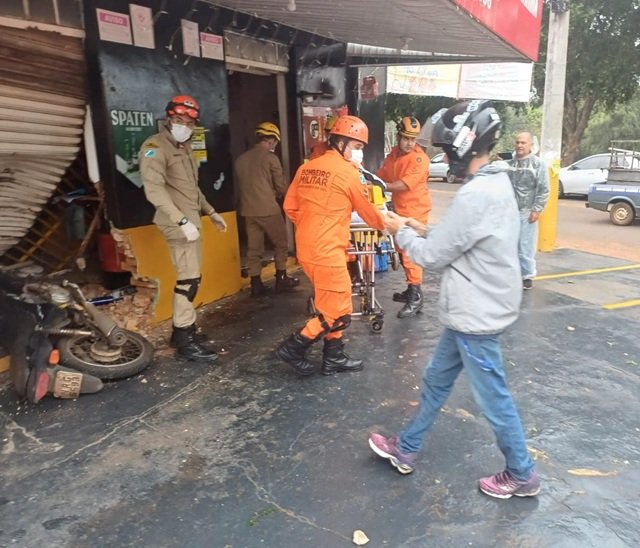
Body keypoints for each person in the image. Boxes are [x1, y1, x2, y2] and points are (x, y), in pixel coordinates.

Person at [369, 100, 540, 500]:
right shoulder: (497, 182)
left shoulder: (477, 194)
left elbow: (431, 257)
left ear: (464, 146)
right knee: (435, 379)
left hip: (476, 313)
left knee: (493, 397)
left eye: (447, 149)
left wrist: (399, 230)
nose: (445, 157)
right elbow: (462, 237)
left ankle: (521, 473)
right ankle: (406, 447)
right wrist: (416, 225)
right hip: (474, 305)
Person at [276, 115, 385, 376]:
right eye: (357, 147)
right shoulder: (348, 173)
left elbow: (290, 206)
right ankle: (295, 346)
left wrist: (312, 225)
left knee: (332, 301)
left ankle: (333, 356)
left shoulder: (307, 168)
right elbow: (369, 213)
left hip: (308, 248)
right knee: (339, 310)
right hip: (327, 251)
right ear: (341, 143)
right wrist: (394, 225)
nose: (359, 153)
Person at [139, 94, 226, 362]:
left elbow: (191, 189)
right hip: (178, 225)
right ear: (169, 118)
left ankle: (181, 332)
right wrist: (182, 221)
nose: (184, 126)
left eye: (189, 123)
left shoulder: (184, 147)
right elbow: (154, 190)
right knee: (188, 281)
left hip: (192, 224)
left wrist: (211, 212)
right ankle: (185, 342)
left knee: (193, 278)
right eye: (179, 120)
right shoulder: (155, 147)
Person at [234, 121, 299, 298]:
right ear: (271, 140)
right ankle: (281, 279)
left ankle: (256, 284)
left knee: (254, 249)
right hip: (268, 209)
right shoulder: (271, 158)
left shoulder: (241, 160)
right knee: (281, 243)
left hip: (248, 210)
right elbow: (281, 187)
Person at [376, 116, 431, 318]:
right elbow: (381, 174)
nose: (409, 143)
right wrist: (369, 180)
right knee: (402, 250)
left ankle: (415, 297)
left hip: (416, 211)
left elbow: (404, 184)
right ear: (399, 136)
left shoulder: (419, 159)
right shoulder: (393, 156)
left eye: (413, 139)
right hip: (400, 210)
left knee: (410, 254)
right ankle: (411, 288)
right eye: (406, 138)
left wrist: (382, 186)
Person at [508, 132, 549, 290]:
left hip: (526, 211)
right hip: (509, 211)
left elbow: (544, 189)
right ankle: (511, 273)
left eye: (523, 142)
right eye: (518, 142)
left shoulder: (538, 164)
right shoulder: (510, 163)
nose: (519, 145)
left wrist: (536, 209)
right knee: (509, 243)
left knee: (525, 245)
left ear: (531, 145)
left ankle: (527, 276)